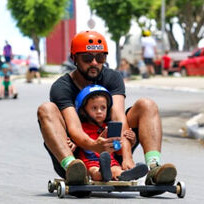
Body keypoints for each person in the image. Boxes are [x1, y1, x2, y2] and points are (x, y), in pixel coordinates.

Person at [37, 31, 177, 197]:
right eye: (88, 58)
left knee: (147, 105)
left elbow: (119, 118)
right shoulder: (62, 87)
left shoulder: (112, 77)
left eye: (100, 58)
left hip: (113, 149)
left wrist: (126, 156)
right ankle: (74, 170)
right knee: (46, 109)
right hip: (78, 153)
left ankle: (154, 170)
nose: (95, 63)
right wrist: (94, 146)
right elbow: (74, 128)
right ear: (74, 59)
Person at [75, 84, 148, 181]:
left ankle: (125, 175)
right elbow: (78, 141)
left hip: (110, 161)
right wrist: (72, 144)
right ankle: (103, 174)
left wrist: (131, 141)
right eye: (94, 108)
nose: (99, 111)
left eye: (103, 108)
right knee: (94, 172)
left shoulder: (110, 127)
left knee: (116, 169)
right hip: (89, 160)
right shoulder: (81, 127)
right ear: (83, 111)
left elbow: (117, 149)